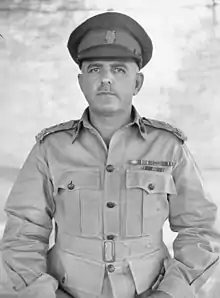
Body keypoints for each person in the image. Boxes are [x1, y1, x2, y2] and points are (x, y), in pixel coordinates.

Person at [0, 11, 219, 298]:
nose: (105, 79)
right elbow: (22, 234)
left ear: (137, 83)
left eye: (118, 70)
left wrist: (171, 292)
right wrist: (44, 292)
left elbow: (201, 229)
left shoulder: (168, 147)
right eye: (94, 70)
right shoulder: (50, 148)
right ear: (81, 82)